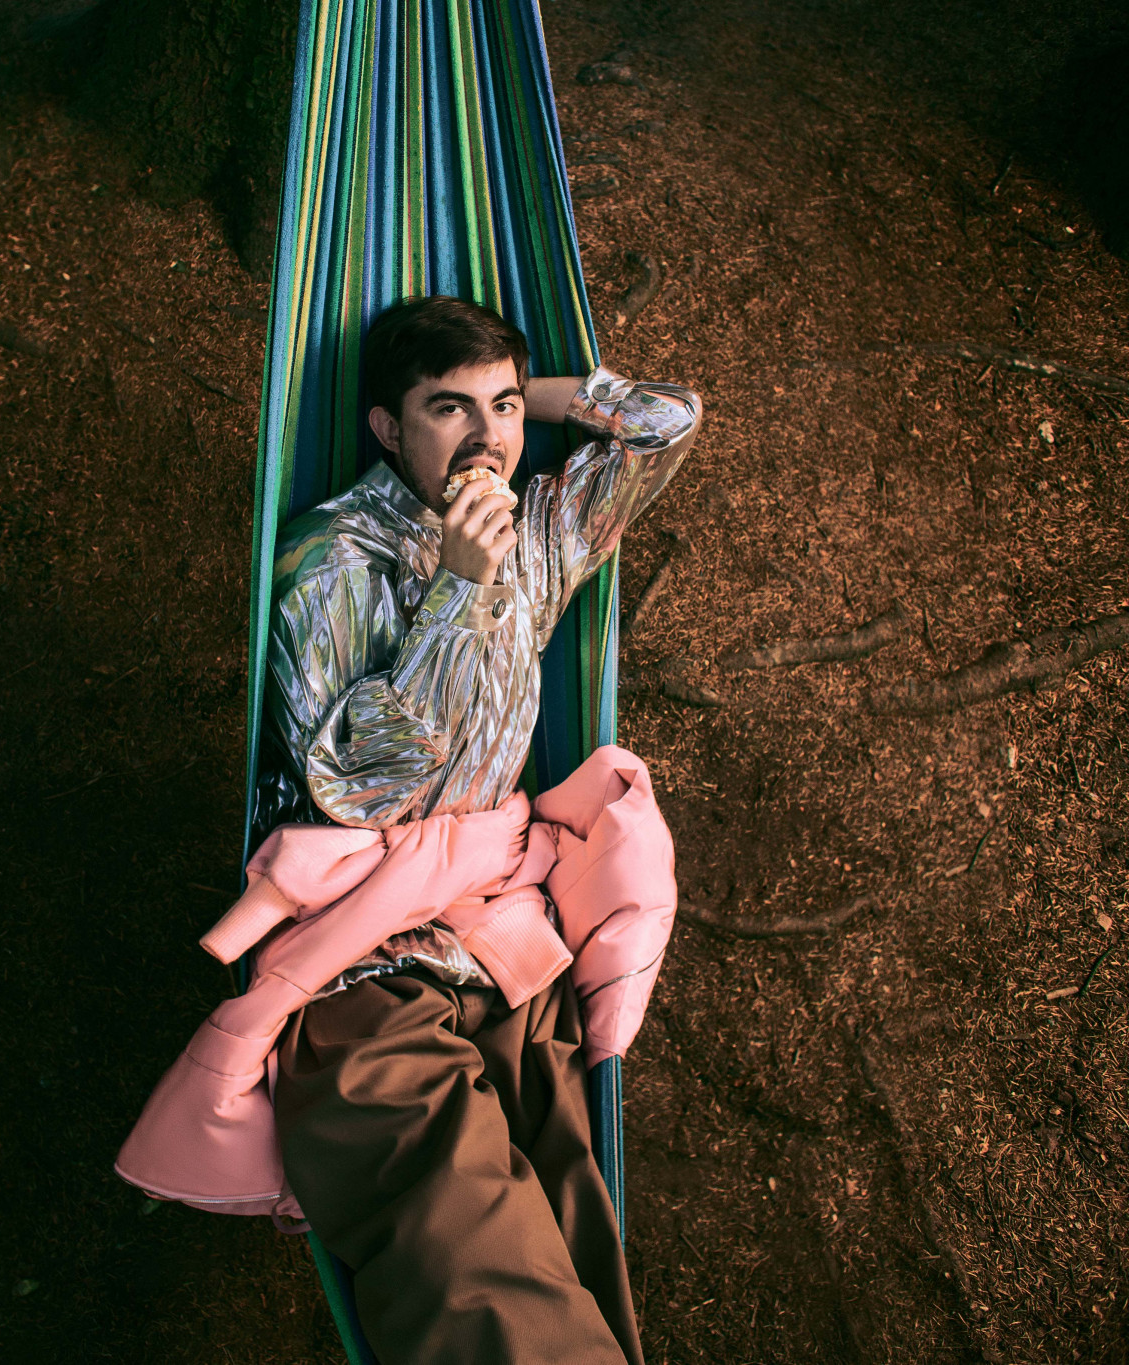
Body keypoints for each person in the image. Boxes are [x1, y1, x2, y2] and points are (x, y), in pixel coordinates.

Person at [259, 295, 702, 1364]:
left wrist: (516, 407)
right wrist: (458, 591)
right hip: (361, 980)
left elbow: (666, 421)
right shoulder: (330, 558)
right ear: (385, 426)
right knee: (484, 1280)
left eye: (501, 406)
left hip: (503, 967)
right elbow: (355, 786)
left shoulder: (536, 532)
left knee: (574, 1253)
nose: (486, 435)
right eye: (446, 409)